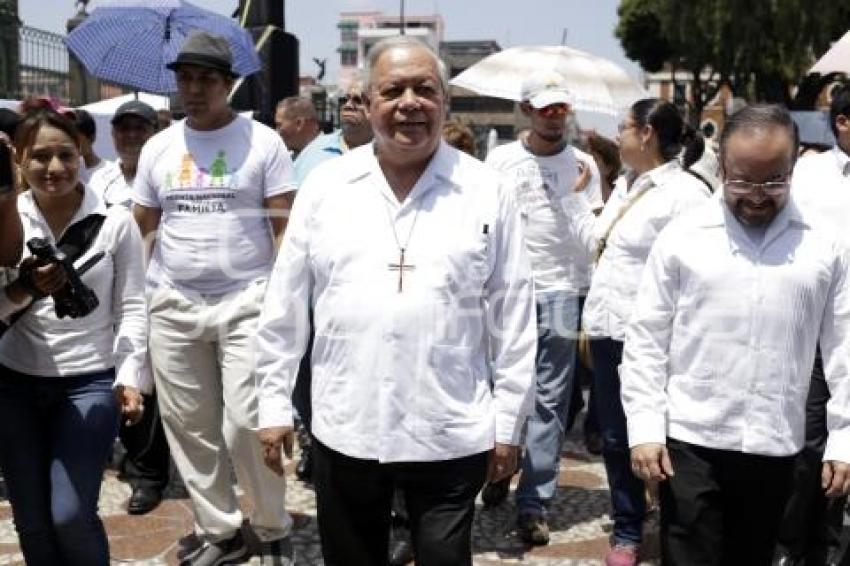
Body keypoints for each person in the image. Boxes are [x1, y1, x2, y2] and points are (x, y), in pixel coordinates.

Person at [255, 35, 536, 566]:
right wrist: (273, 404)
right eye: (394, 90)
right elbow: (286, 301)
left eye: (425, 89)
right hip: (347, 421)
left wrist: (509, 424)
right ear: (366, 100)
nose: (410, 103)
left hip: (450, 424)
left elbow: (514, 312)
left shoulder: (486, 189)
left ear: (444, 102)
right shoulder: (327, 186)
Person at [623, 104, 850, 565]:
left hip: (776, 444)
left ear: (793, 168)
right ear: (723, 166)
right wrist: (645, 428)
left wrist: (844, 440)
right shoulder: (683, 236)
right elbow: (647, 337)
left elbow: (845, 347)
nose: (758, 196)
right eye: (743, 181)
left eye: (774, 182)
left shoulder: (825, 245)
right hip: (691, 440)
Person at [132, 31, 296, 565]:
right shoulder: (159, 146)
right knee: (190, 426)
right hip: (174, 305)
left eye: (206, 79)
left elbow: (282, 227)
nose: (194, 89)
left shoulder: (263, 141)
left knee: (247, 422)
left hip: (247, 298)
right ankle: (221, 531)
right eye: (186, 79)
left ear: (229, 84)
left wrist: (282, 303)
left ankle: (272, 528)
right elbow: (143, 229)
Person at [563, 98, 710, 565]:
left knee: (659, 437)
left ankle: (674, 525)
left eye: (624, 127)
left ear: (646, 133)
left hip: (652, 336)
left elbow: (698, 270)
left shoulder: (685, 194)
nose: (618, 134)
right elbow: (596, 245)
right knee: (613, 435)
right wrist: (577, 198)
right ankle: (627, 527)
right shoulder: (625, 186)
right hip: (608, 329)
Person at [0, 107, 147, 565]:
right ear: (20, 160)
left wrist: (129, 376)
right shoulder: (8, 221)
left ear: (83, 153)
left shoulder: (115, 221)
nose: (55, 168)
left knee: (69, 514)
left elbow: (134, 304)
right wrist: (24, 289)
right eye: (40, 156)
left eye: (65, 154)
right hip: (14, 383)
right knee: (31, 519)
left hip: (89, 383)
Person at [483, 70, 603, 544]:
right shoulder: (500, 162)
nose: (555, 118)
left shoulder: (584, 165)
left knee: (551, 399)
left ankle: (534, 502)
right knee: (500, 387)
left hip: (560, 292)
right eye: (545, 109)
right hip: (507, 290)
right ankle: (496, 467)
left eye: (562, 109)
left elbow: (592, 235)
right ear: (527, 111)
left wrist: (576, 196)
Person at [774, 86, 850, 565]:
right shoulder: (811, 172)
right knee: (812, 443)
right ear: (843, 122)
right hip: (823, 331)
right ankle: (797, 544)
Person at [88, 100, 174, 516]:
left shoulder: (165, 172)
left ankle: (149, 475)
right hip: (108, 295)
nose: (131, 136)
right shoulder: (100, 179)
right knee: (118, 377)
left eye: (140, 128)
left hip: (156, 292)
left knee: (145, 384)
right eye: (124, 128)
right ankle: (133, 454)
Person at [292, 80, 374, 187]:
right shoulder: (315, 149)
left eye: (357, 101)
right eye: (345, 99)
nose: (348, 105)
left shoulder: (387, 154)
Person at [71, 108, 106, 184]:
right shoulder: (70, 170)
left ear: (91, 137)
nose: (72, 143)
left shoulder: (109, 172)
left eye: (76, 138)